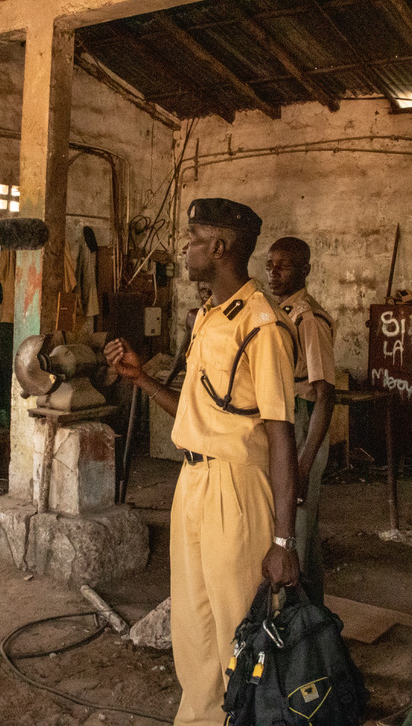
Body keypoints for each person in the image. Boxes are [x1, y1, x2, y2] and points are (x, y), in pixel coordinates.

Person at [105, 198, 300, 726]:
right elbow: (197, 409)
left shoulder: (263, 324)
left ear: (219, 247)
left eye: (193, 238)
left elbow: (282, 434)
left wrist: (284, 540)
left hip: (236, 489)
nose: (185, 248)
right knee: (194, 629)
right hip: (192, 481)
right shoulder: (210, 317)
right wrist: (141, 378)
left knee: (242, 629)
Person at [265, 236, 337, 605]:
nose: (274, 272)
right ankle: (311, 619)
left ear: (305, 270)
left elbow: (326, 394)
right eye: (270, 264)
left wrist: (305, 464)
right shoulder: (278, 312)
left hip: (305, 422)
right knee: (302, 535)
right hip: (285, 419)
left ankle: (299, 625)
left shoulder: (309, 318)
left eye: (285, 265)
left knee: (296, 531)